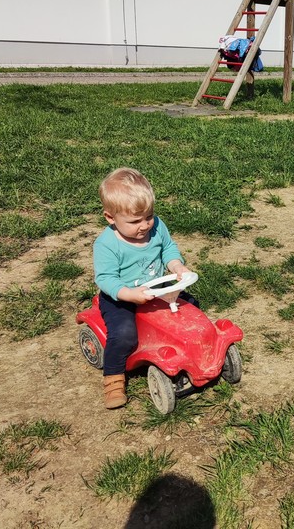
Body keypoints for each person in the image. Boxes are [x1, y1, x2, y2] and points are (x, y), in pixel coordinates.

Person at [93, 168, 192, 409]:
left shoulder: (157, 227)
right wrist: (129, 294)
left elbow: (168, 248)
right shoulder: (107, 244)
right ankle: (113, 378)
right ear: (110, 218)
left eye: (149, 216)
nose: (145, 225)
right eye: (135, 221)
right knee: (123, 334)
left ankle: (189, 351)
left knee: (190, 309)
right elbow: (106, 278)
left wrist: (176, 265)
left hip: (157, 288)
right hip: (121, 297)